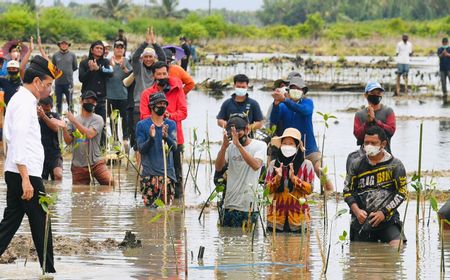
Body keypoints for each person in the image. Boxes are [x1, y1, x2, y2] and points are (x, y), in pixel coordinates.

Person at [0, 55, 62, 273]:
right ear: (37, 82)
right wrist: (26, 178)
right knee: (42, 223)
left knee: (10, 223)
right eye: (47, 85)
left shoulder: (21, 99)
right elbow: (17, 140)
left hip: (18, 171)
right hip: (26, 174)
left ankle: (49, 269)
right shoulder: (25, 103)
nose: (48, 90)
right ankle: (50, 271)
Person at [344, 126, 407, 247]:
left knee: (398, 248)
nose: (369, 145)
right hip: (362, 220)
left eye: (373, 143)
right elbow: (347, 191)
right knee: (359, 257)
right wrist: (357, 211)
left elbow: (402, 192)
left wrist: (384, 213)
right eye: (366, 142)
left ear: (383, 144)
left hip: (388, 219)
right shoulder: (356, 164)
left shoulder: (395, 165)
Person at [270, 76, 333, 191]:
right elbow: (273, 120)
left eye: (299, 89)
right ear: (288, 91)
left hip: (309, 147)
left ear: (303, 91)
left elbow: (305, 111)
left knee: (319, 170)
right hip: (291, 147)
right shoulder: (283, 106)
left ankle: (331, 193)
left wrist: (285, 101)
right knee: (290, 172)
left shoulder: (308, 103)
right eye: (293, 88)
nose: (296, 90)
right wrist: (275, 104)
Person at [140, 61, 187, 198]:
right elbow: (144, 115)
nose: (162, 76)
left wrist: (169, 116)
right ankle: (152, 199)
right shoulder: (147, 94)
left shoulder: (177, 90)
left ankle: (178, 204)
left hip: (174, 137)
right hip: (152, 137)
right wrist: (159, 118)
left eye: (164, 73)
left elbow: (183, 112)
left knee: (176, 172)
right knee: (151, 171)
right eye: (159, 74)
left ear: (168, 73)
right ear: (154, 75)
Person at [215, 114, 267, 227]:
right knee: (226, 240)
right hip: (229, 204)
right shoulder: (229, 147)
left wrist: (238, 146)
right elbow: (218, 167)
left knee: (247, 241)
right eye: (232, 132)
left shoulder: (260, 145)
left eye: (238, 131)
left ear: (247, 129)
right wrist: (223, 147)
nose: (236, 135)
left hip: (249, 206)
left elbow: (256, 165)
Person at [265, 128, 314, 232]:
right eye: (285, 143)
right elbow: (266, 190)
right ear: (280, 145)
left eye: (290, 143)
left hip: (299, 218)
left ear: (297, 147)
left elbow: (309, 189)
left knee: (298, 247)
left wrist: (294, 179)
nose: (287, 146)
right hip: (276, 219)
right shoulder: (273, 165)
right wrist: (277, 178)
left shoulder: (306, 165)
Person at [62, 91, 113, 185]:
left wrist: (73, 121)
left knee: (110, 183)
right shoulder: (73, 120)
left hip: (96, 162)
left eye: (93, 102)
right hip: (78, 165)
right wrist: (64, 128)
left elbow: (89, 134)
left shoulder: (98, 119)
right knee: (79, 195)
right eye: (88, 101)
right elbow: (68, 141)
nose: (91, 103)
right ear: (81, 102)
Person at [136, 93, 177, 207]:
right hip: (149, 176)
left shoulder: (170, 124)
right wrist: (151, 138)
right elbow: (141, 149)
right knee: (149, 211)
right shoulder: (142, 125)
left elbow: (174, 147)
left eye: (164, 104)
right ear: (152, 106)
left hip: (167, 175)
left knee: (165, 210)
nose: (162, 106)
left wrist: (166, 137)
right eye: (159, 103)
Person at [130, 27, 165, 151]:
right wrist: (145, 43)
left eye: (151, 56)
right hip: (138, 104)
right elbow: (134, 57)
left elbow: (163, 59)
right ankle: (137, 156)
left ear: (154, 58)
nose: (148, 59)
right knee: (137, 132)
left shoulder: (156, 70)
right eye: (146, 57)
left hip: (154, 105)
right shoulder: (138, 68)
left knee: (154, 132)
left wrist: (154, 43)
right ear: (142, 58)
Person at [350, 81, 396, 169]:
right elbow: (358, 136)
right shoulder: (360, 114)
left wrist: (375, 121)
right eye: (372, 93)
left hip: (384, 154)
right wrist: (367, 123)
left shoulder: (388, 111)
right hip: (364, 156)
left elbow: (391, 131)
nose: (376, 95)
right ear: (366, 95)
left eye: (378, 93)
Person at [78, 40, 113, 123]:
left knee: (102, 123)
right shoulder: (84, 62)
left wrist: (98, 69)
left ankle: (102, 136)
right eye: (97, 48)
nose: (99, 50)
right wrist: (90, 70)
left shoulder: (106, 62)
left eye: (101, 48)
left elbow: (111, 73)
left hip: (101, 98)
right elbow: (81, 78)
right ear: (91, 50)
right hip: (87, 98)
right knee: (86, 122)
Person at [106, 40, 132, 146]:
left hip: (123, 95)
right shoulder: (108, 61)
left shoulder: (127, 61)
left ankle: (125, 139)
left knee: (125, 119)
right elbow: (103, 75)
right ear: (114, 49)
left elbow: (131, 75)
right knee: (113, 119)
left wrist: (124, 68)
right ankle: (115, 139)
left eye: (121, 48)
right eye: (117, 47)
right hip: (111, 95)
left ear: (124, 50)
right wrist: (109, 68)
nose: (119, 49)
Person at [38, 96, 63, 181]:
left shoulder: (55, 116)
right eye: (44, 110)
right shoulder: (35, 117)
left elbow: (56, 128)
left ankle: (59, 193)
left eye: (48, 110)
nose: (46, 112)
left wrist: (44, 116)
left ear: (51, 107)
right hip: (40, 153)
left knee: (58, 175)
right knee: (42, 181)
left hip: (54, 152)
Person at [52, 38, 78, 113]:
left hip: (69, 82)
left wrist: (68, 71)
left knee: (70, 102)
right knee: (58, 102)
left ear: (68, 45)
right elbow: (53, 67)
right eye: (62, 44)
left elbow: (75, 67)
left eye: (65, 44)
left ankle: (71, 119)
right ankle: (58, 117)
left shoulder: (72, 55)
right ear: (59, 45)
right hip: (58, 83)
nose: (64, 45)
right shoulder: (55, 55)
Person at [438, 37, 450, 104]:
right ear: (442, 43)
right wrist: (442, 54)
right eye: (444, 43)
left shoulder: (449, 48)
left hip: (449, 68)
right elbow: (439, 56)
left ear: (447, 42)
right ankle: (445, 93)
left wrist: (447, 54)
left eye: (446, 42)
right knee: (443, 82)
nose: (445, 43)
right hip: (442, 68)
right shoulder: (440, 49)